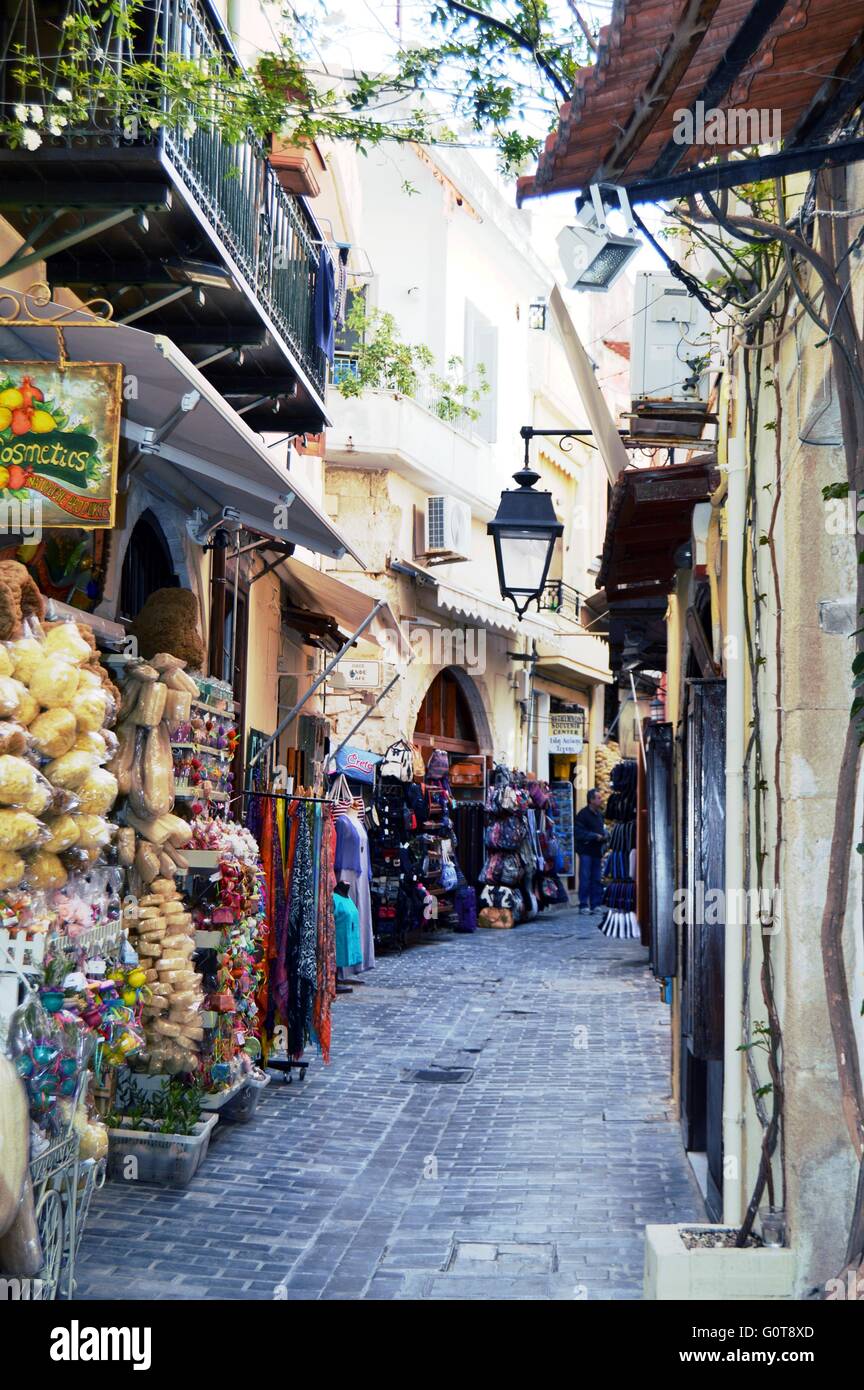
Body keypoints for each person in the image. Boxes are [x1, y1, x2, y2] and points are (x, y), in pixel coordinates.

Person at [574, 788, 607, 914]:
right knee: (585, 877)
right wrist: (594, 836)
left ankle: (595, 904)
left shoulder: (599, 815)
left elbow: (601, 829)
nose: (600, 800)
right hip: (586, 851)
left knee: (596, 878)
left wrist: (604, 836)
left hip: (597, 851)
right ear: (591, 800)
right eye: (598, 798)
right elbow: (578, 832)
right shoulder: (583, 814)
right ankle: (583, 905)